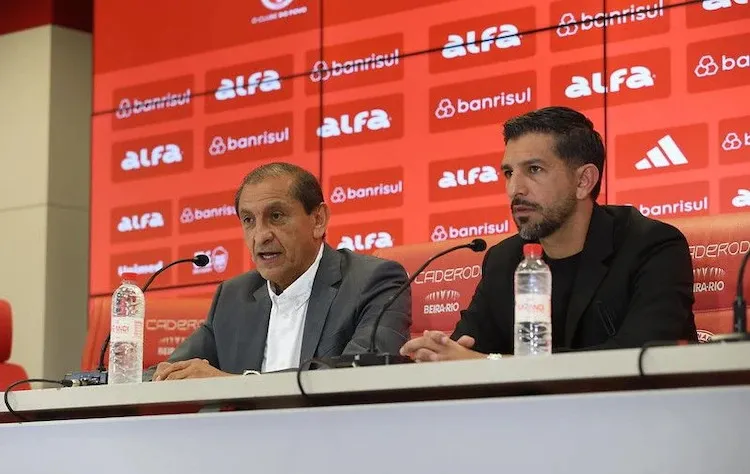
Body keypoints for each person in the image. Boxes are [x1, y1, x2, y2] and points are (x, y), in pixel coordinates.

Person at [400, 106, 698, 362]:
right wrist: (439, 353)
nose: (515, 189)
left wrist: (488, 363)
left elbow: (641, 357)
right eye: (509, 173)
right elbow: (465, 351)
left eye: (534, 169)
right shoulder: (504, 260)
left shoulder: (652, 246)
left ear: (584, 181)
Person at [149, 162, 412, 381]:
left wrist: (232, 384)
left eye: (276, 216)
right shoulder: (234, 296)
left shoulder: (373, 281)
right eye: (249, 220)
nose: (261, 235)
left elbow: (360, 376)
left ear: (318, 220)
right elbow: (170, 371)